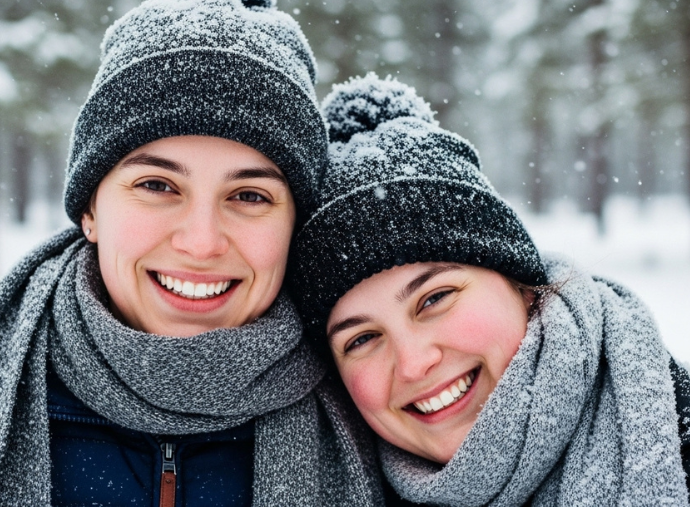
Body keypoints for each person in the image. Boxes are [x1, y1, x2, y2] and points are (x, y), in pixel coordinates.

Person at [0, 0, 384, 505]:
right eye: (158, 185)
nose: (202, 242)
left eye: (249, 196)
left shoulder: (381, 422)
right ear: (90, 210)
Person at [290, 73, 690, 506]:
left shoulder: (674, 436)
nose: (413, 365)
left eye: (434, 298)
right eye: (362, 339)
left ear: (522, 285)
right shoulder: (336, 486)